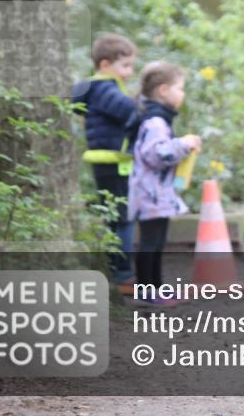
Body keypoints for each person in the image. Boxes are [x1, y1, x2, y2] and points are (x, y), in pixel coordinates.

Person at [127, 61, 201, 307]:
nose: (183, 94)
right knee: (150, 243)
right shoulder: (155, 123)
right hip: (149, 193)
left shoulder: (158, 120)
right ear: (163, 90)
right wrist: (183, 144)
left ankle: (157, 288)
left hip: (157, 193)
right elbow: (156, 154)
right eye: (180, 88)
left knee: (157, 242)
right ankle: (146, 292)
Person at [72, 33, 138, 294]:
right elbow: (131, 112)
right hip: (114, 160)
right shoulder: (106, 89)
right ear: (105, 65)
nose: (130, 72)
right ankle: (123, 274)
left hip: (104, 161)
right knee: (124, 218)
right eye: (126, 66)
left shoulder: (95, 89)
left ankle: (115, 269)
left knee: (114, 217)